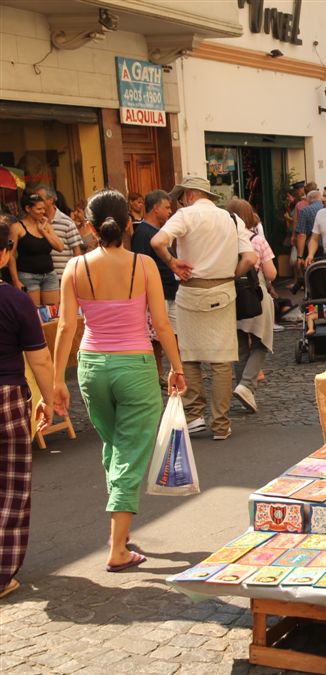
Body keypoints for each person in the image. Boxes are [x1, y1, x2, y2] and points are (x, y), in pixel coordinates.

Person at [52, 189, 187, 572]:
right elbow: (161, 325)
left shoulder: (74, 268)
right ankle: (117, 549)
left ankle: (121, 532)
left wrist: (57, 382)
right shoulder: (142, 266)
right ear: (129, 224)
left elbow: (65, 326)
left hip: (91, 367)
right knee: (129, 452)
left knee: (114, 446)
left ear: (91, 228)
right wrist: (176, 368)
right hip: (135, 367)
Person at [150, 176, 257, 441]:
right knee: (221, 360)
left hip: (191, 289)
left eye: (180, 196)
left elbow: (157, 242)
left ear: (189, 194)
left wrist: (173, 262)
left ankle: (194, 416)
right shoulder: (232, 218)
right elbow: (250, 258)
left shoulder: (185, 215)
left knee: (190, 356)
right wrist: (231, 274)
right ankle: (221, 425)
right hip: (223, 289)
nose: (179, 201)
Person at [0, 217, 57, 599]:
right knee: (11, 486)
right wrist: (49, 401)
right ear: (5, 253)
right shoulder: (15, 300)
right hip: (6, 397)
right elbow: (39, 361)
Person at [225, 199, 276, 414]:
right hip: (256, 295)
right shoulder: (257, 241)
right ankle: (246, 386)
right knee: (262, 343)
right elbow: (272, 273)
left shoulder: (223, 241)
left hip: (231, 296)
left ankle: (244, 389)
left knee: (240, 346)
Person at [130, 190, 178, 378]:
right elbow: (141, 264)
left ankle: (177, 369)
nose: (170, 212)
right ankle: (158, 372)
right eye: (167, 207)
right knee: (156, 336)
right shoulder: (142, 232)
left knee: (175, 333)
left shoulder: (159, 232)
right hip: (157, 291)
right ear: (155, 208)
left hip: (171, 289)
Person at [9, 193, 64, 306]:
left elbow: (60, 247)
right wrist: (15, 280)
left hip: (49, 274)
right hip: (28, 276)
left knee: (53, 313)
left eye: (44, 208)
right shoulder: (17, 227)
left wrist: (44, 231)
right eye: (39, 209)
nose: (43, 211)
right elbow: (10, 255)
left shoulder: (45, 225)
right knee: (34, 312)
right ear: (28, 208)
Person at [34, 185, 82, 280]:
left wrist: (77, 275)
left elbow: (77, 252)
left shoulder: (67, 222)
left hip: (64, 276)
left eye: (40, 199)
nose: (37, 202)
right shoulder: (36, 222)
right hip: (43, 276)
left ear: (51, 200)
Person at [294, 189, 324, 273]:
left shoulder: (304, 211)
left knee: (313, 273)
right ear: (320, 198)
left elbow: (301, 235)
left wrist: (300, 256)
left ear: (308, 200)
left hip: (311, 249)